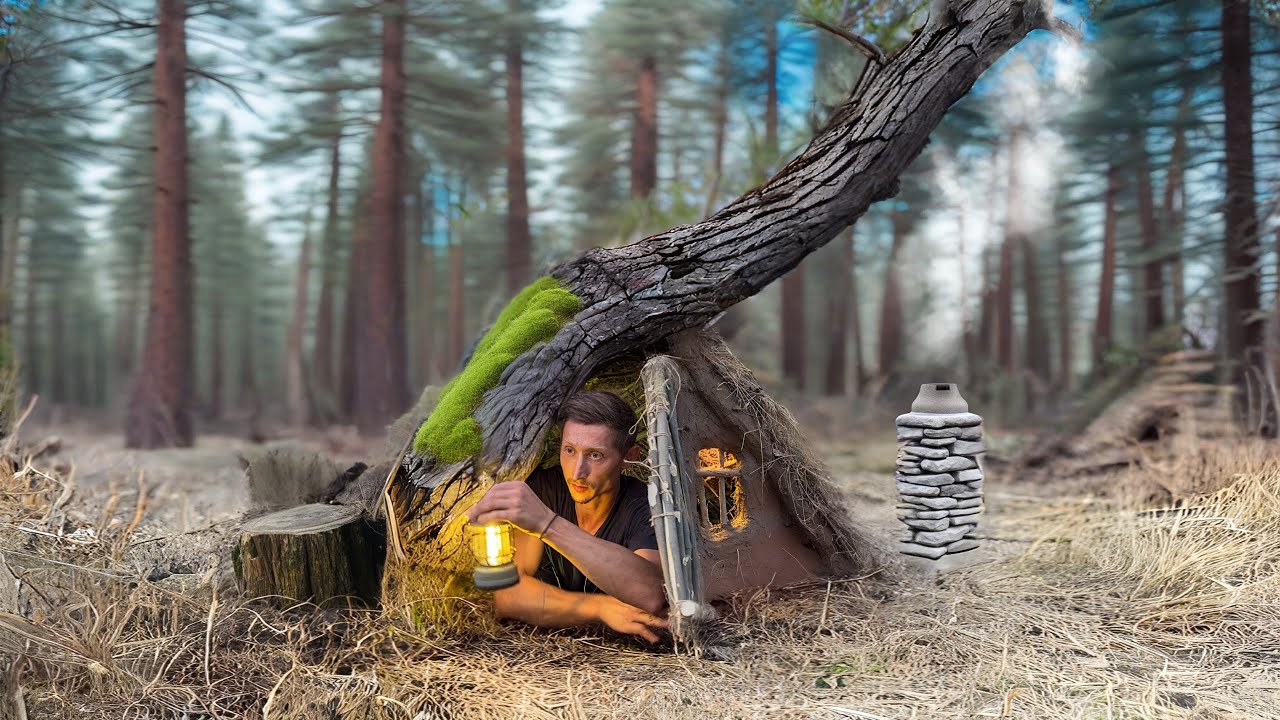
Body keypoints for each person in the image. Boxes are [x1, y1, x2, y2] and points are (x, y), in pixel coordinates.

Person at [467, 390, 669, 643]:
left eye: (595, 455)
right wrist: (600, 608)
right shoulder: (544, 490)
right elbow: (509, 596)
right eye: (570, 450)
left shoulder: (645, 505)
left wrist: (547, 525)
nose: (577, 472)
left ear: (629, 458)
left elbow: (650, 594)